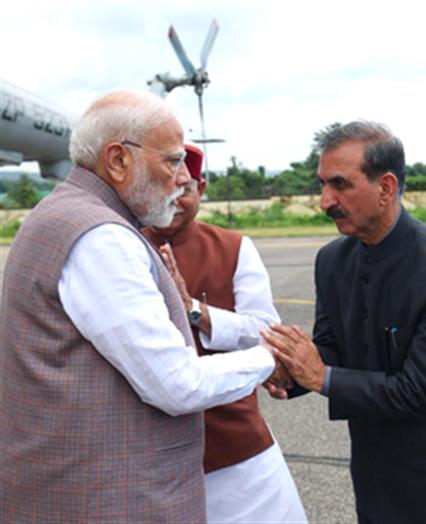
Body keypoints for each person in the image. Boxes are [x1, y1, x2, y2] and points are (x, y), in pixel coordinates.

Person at [0, 91, 282, 522]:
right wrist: (272, 356)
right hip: (111, 501)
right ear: (118, 161)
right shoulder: (101, 238)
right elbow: (176, 384)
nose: (182, 178)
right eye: (172, 161)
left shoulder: (63, 214)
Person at [263, 121, 426, 524]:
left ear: (385, 187)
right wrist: (287, 370)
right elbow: (330, 348)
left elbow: (416, 390)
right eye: (322, 184)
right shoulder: (331, 261)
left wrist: (321, 377)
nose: (325, 201)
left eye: (340, 184)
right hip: (377, 481)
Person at [141, 144, 306, 523]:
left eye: (183, 189)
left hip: (235, 448)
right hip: (150, 454)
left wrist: (194, 310)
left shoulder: (234, 248)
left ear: (201, 189)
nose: (172, 199)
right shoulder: (121, 246)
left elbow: (265, 332)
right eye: (161, 187)